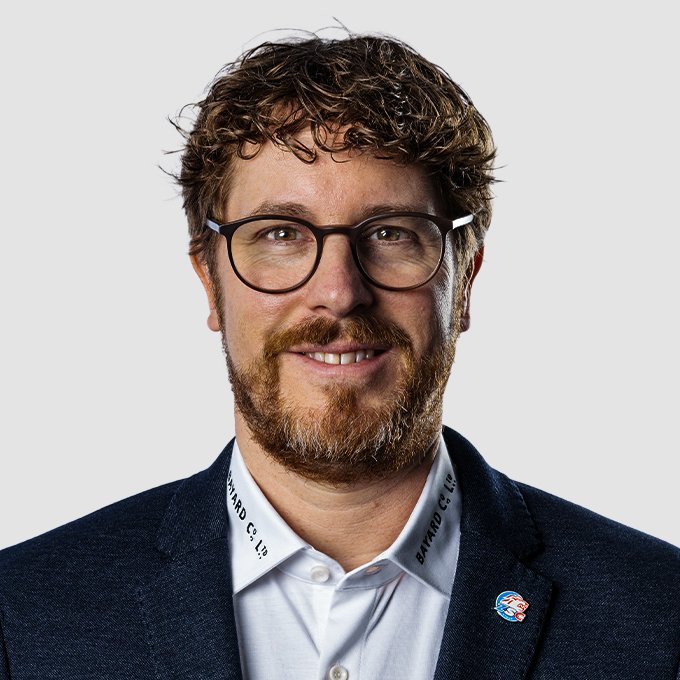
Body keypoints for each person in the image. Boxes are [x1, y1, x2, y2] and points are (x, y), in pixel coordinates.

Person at [0, 33, 678, 680]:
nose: (338, 292)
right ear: (209, 282)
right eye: (280, 234)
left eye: (391, 233)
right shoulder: (23, 618)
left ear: (464, 281)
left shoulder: (660, 620)